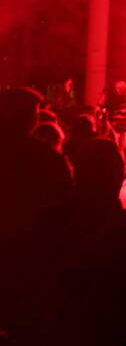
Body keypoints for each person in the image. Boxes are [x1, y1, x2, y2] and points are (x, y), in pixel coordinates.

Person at [16, 138, 126, 345]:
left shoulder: (46, 219)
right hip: (113, 331)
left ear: (76, 173)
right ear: (118, 176)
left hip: (54, 331)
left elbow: (25, 284)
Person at [0, 87, 73, 335]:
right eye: (33, 113)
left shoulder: (43, 156)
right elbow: (66, 203)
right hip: (31, 255)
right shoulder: (46, 158)